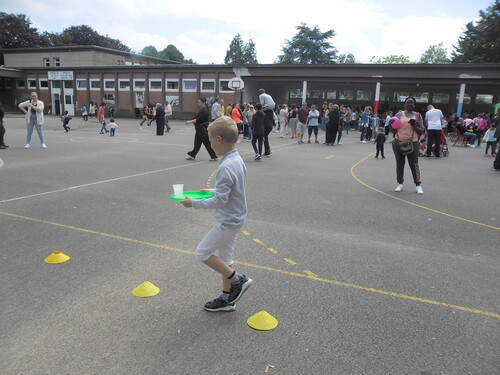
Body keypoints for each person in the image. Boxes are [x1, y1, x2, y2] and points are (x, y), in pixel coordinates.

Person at [179, 116, 252, 312]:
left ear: (219, 140)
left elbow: (221, 201)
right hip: (236, 218)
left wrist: (192, 203)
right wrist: (208, 191)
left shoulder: (225, 167)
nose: (209, 144)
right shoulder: (236, 159)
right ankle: (227, 299)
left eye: (210, 141)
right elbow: (226, 192)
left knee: (202, 252)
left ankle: (238, 280)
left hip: (228, 221)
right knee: (225, 260)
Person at [390, 97, 425, 194]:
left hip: (413, 142)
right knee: (400, 163)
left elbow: (422, 130)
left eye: (411, 103)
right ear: (404, 104)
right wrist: (390, 125)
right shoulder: (399, 114)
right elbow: (393, 130)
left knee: (414, 164)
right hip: (398, 141)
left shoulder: (417, 115)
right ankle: (400, 183)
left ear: (414, 105)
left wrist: (414, 126)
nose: (409, 104)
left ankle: (418, 184)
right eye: (408, 103)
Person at [185, 97, 218, 161]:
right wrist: (191, 120)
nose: (198, 104)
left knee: (207, 144)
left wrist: (190, 121)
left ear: (203, 103)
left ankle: (214, 156)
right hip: (199, 130)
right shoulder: (202, 110)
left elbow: (198, 119)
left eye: (199, 102)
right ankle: (193, 155)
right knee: (197, 143)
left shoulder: (205, 110)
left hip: (203, 130)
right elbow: (196, 117)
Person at [258, 89, 276, 156]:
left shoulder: (261, 96)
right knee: (266, 138)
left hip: (266, 126)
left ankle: (266, 151)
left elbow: (262, 103)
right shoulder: (271, 111)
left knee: (264, 138)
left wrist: (260, 109)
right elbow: (275, 117)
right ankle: (267, 150)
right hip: (270, 125)